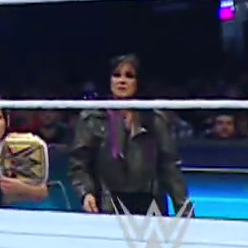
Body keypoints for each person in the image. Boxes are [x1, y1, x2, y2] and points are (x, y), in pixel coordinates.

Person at [69, 54, 191, 215]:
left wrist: (184, 209)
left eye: (129, 76)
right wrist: (86, 193)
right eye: (116, 75)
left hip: (149, 204)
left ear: (138, 81)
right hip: (107, 202)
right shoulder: (92, 118)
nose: (122, 81)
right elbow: (79, 163)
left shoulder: (155, 119)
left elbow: (170, 167)